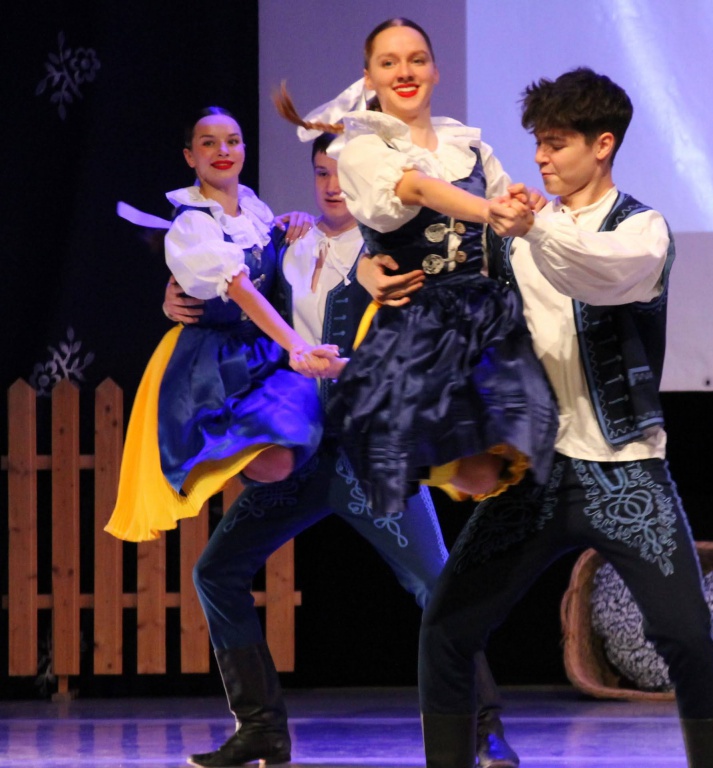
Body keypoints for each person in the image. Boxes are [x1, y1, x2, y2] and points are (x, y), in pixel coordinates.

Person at [401, 69, 713, 767]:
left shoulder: (640, 229)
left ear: (603, 144)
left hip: (624, 469)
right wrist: (374, 274)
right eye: (537, 143)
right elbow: (435, 277)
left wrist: (535, 226)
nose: (541, 158)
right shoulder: (510, 234)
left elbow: (596, 274)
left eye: (556, 143)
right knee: (446, 629)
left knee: (685, 636)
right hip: (533, 474)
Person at [163, 132, 522, 768]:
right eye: (321, 172)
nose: (332, 185)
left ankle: (484, 728)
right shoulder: (286, 243)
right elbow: (229, 295)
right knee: (215, 572)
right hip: (303, 452)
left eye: (341, 173)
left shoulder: (392, 251)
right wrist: (173, 301)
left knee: (436, 583)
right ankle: (261, 728)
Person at [274, 17, 560, 524]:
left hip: (483, 315)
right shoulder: (365, 148)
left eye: (417, 60)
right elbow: (417, 189)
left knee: (493, 465)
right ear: (370, 78)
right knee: (427, 454)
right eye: (389, 62)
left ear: (435, 70)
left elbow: (509, 216)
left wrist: (523, 202)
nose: (405, 71)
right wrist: (489, 210)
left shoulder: (468, 146)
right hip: (420, 319)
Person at [105, 107, 340, 543]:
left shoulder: (254, 211)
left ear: (244, 149)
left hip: (259, 351)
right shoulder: (193, 222)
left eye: (232, 141)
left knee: (293, 438)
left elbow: (270, 263)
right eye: (208, 143)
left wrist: (295, 222)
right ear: (190, 156)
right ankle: (231, 473)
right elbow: (240, 287)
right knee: (257, 454)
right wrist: (296, 345)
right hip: (210, 361)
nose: (222, 151)